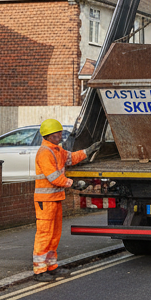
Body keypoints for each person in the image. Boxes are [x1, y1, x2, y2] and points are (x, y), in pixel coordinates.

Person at [33, 119, 99, 282]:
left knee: (54, 234)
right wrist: (73, 183)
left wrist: (88, 151)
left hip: (55, 198)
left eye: (61, 133)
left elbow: (72, 158)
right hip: (45, 200)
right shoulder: (44, 152)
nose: (61, 136)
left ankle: (52, 267)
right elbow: (54, 177)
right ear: (49, 135)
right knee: (45, 234)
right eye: (58, 133)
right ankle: (39, 271)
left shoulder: (57, 150)